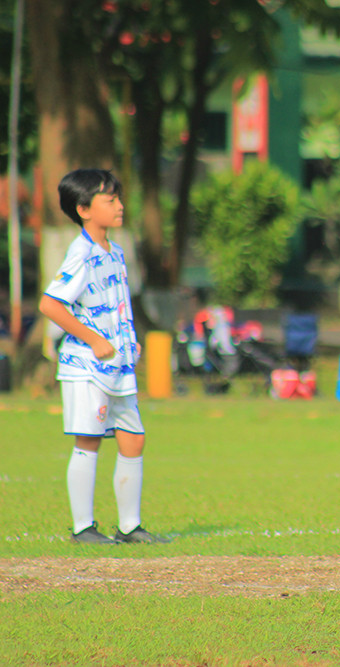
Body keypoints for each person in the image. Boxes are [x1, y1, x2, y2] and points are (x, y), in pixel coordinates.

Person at [39, 169, 168, 545]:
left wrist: (129, 341)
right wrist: (94, 339)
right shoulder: (81, 253)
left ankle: (130, 527)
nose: (120, 206)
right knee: (89, 441)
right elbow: (51, 304)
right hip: (87, 366)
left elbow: (117, 304)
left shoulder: (116, 252)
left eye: (118, 199)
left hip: (118, 365)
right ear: (83, 210)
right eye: (110, 201)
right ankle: (83, 529)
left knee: (134, 440)